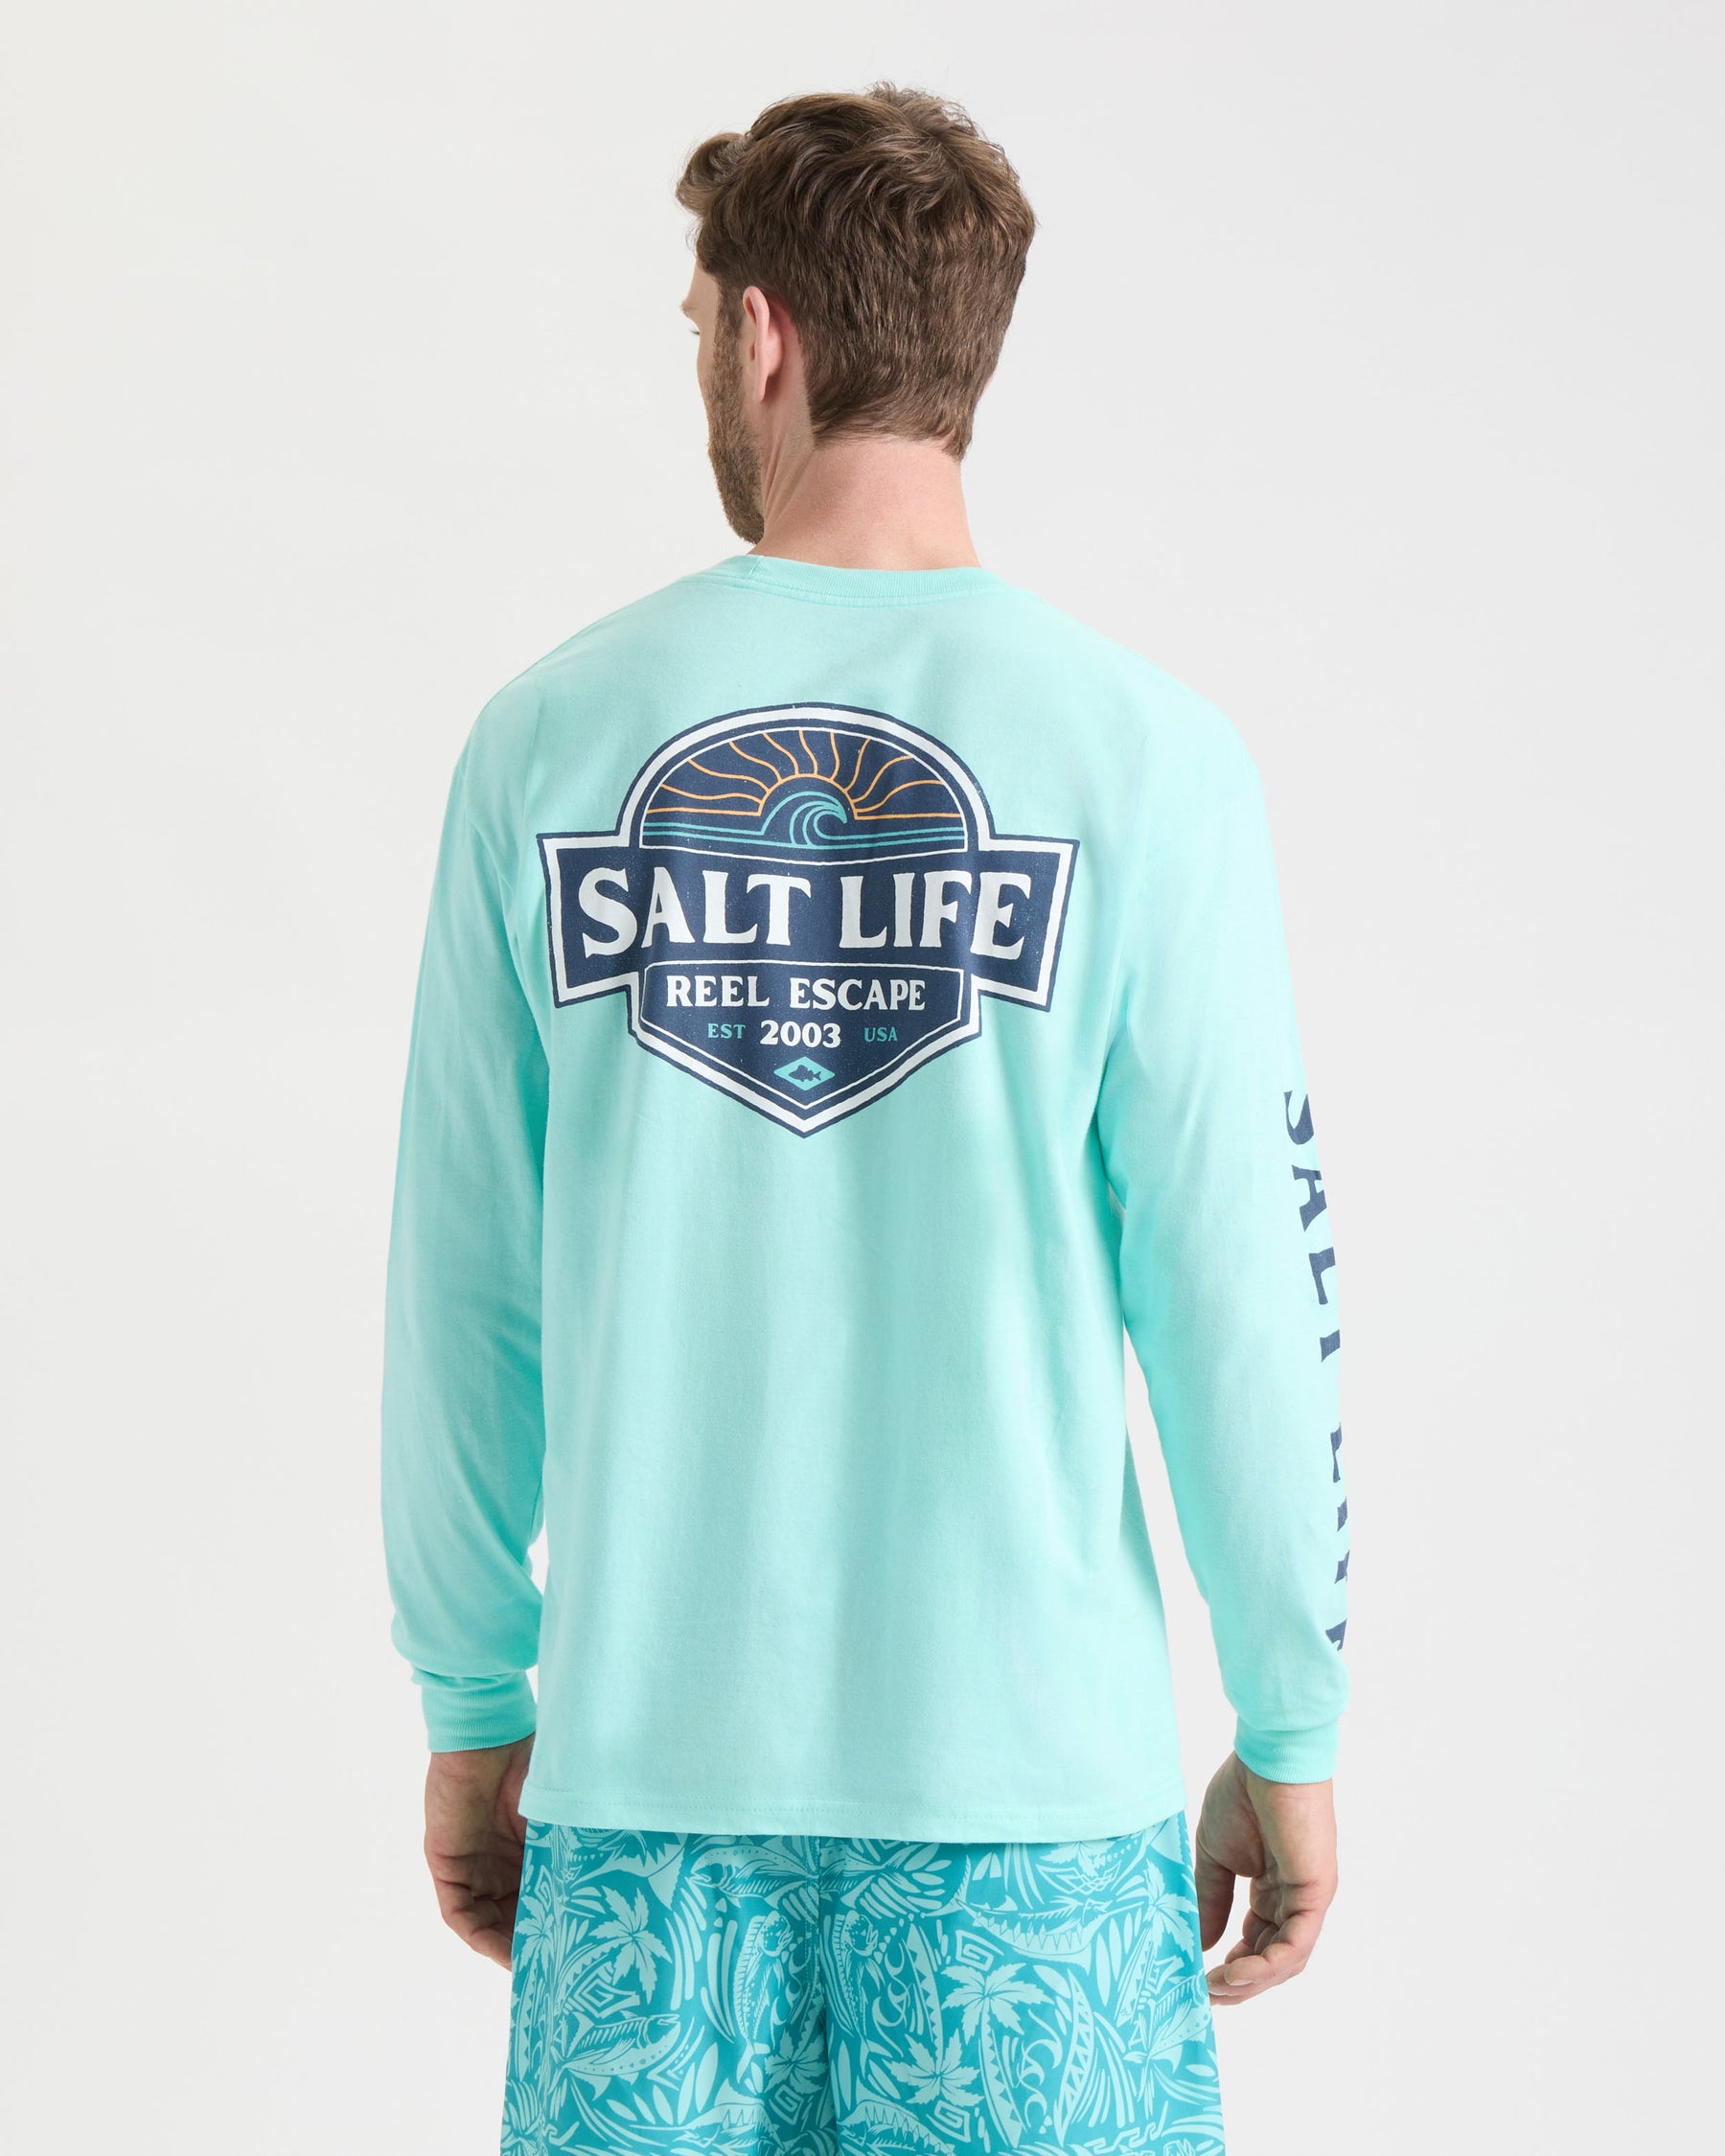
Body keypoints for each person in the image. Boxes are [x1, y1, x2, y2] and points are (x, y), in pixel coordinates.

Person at [381, 84, 1348, 2156]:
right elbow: (1242, 1290)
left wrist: (474, 1698)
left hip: (644, 1811)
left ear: (761, 336)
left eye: (697, 328)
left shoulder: (544, 740)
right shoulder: (1149, 761)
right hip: (1037, 1830)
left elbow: (459, 1281)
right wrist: (1291, 1715)